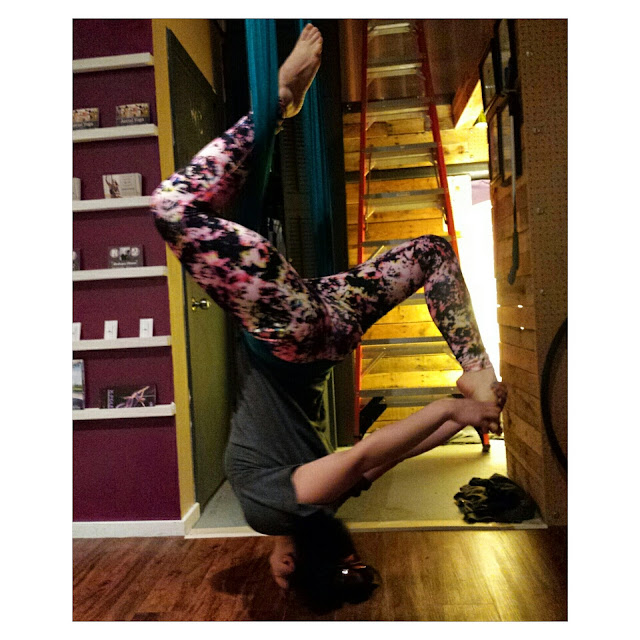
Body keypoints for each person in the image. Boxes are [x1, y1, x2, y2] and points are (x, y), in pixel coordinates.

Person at [151, 24, 506, 609]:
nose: (279, 572)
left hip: (324, 326)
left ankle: (476, 368)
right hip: (288, 334)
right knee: (171, 207)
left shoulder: (325, 500)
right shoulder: (278, 510)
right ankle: (278, 102)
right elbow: (368, 452)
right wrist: (456, 410)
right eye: (289, 577)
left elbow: (395, 452)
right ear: (297, 562)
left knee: (431, 253)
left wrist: (466, 410)